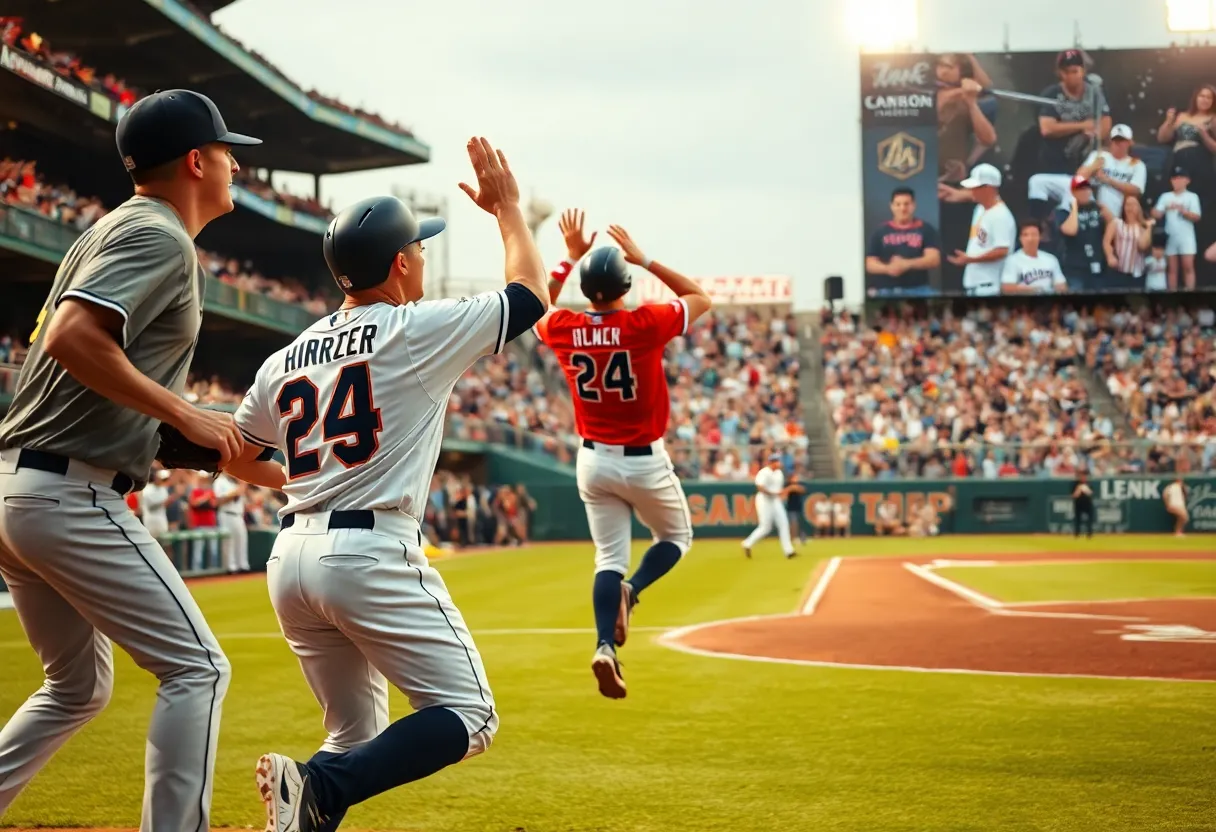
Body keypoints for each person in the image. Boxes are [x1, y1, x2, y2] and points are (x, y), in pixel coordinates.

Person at [234, 137, 549, 832]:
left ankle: (309, 795)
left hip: (290, 556)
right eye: (420, 248)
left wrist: (306, 487)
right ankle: (316, 784)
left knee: (352, 737)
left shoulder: (285, 357)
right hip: (367, 551)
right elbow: (530, 296)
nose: (425, 258)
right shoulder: (412, 328)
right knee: (470, 714)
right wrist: (507, 209)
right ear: (401, 263)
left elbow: (236, 453)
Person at [0, 89, 261, 831]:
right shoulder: (157, 233)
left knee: (76, 688)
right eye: (227, 152)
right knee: (198, 667)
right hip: (65, 492)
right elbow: (71, 338)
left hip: (26, 485)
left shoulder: (117, 228)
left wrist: (223, 447)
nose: (236, 165)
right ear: (196, 161)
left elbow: (102, 383)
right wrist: (182, 410)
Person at [534, 208, 711, 699]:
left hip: (593, 460)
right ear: (625, 285)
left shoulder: (565, 327)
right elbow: (700, 297)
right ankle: (632, 590)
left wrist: (568, 258)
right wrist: (645, 258)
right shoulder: (643, 324)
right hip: (643, 459)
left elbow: (535, 305)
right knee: (676, 536)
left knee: (607, 558)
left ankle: (604, 647)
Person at [1026, 48, 1112, 220]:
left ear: (1083, 71)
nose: (1071, 76)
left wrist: (1093, 134)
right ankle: (1039, 226)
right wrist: (1082, 126)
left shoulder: (1094, 92)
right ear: (1060, 73)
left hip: (1085, 166)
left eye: (1075, 71)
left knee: (1078, 202)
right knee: (1036, 184)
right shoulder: (1052, 94)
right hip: (1055, 166)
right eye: (1066, 72)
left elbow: (1105, 123)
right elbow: (1047, 128)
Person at [942, 163, 1016, 297]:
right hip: (975, 285)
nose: (972, 190)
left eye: (975, 187)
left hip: (990, 286)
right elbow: (970, 196)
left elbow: (1002, 250)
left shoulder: (1001, 215)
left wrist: (971, 259)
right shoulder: (981, 208)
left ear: (988, 188)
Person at [864, 187, 942, 297]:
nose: (903, 208)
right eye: (898, 204)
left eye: (907, 204)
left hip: (918, 289)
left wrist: (907, 264)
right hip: (885, 290)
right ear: (891, 206)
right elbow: (869, 264)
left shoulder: (926, 229)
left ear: (914, 205)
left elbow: (934, 259)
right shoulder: (880, 231)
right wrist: (888, 269)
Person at [1076, 124, 1146, 220]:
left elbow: (1136, 190)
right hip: (1093, 206)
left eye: (1122, 140)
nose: (1118, 143)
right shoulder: (1099, 155)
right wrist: (1093, 167)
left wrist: (1108, 180)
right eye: (1115, 140)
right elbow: (1079, 176)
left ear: (1130, 142)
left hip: (1121, 213)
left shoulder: (1137, 164)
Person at [1057, 175, 1112, 293]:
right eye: (1080, 189)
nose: (1085, 192)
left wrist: (1106, 211)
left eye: (1087, 188)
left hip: (1098, 264)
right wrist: (1074, 207)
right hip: (1076, 267)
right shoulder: (1064, 211)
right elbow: (1071, 230)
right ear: (1073, 192)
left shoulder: (1098, 207)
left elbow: (1113, 226)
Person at [1152, 168, 1203, 291]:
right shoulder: (1166, 197)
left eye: (1180, 178)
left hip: (1187, 237)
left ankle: (1190, 292)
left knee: (1188, 266)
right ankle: (1172, 293)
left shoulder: (1192, 197)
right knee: (1172, 268)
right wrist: (1164, 208)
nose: (1177, 181)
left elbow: (1197, 216)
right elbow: (1155, 213)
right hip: (1171, 236)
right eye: (1174, 178)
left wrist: (1184, 212)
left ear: (1187, 181)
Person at [742, 454, 797, 559]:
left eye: (778, 461)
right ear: (771, 462)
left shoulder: (779, 473)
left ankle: (789, 551)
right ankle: (747, 543)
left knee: (784, 524)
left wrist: (780, 495)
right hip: (764, 500)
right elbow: (760, 487)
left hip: (775, 500)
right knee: (765, 527)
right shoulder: (764, 472)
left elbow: (778, 489)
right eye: (776, 461)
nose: (778, 463)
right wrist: (773, 493)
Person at [1000, 219, 1067, 295]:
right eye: (1026, 235)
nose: (1030, 239)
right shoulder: (1012, 260)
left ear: (1040, 237)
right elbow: (1006, 288)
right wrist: (1036, 290)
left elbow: (1061, 285)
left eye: (1034, 234)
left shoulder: (1051, 259)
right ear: (1020, 238)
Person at [214, 472, 250, 573]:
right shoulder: (220, 481)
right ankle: (230, 567)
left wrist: (241, 488)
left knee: (241, 540)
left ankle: (242, 565)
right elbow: (218, 501)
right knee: (228, 542)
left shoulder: (235, 483)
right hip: (226, 514)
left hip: (239, 515)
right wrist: (236, 492)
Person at [1071, 469, 1095, 538]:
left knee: (1090, 519)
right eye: (1081, 476)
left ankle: (1089, 534)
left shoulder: (1089, 483)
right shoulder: (1075, 484)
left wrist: (1086, 489)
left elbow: (1091, 493)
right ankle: (1077, 534)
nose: (1083, 477)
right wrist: (1079, 489)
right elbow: (1074, 495)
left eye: (1084, 476)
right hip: (1078, 504)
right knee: (1077, 519)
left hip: (1087, 504)